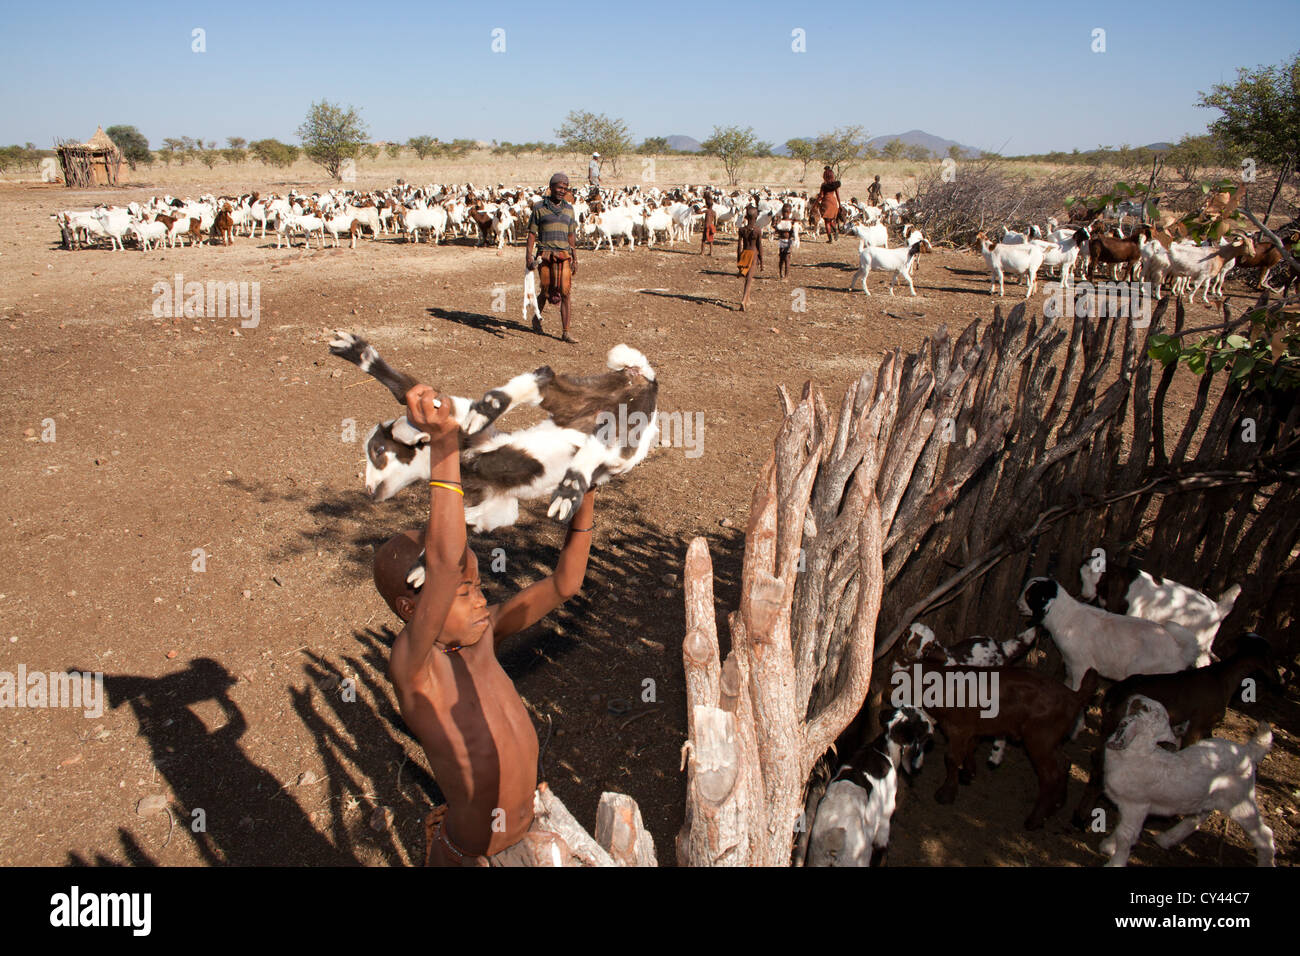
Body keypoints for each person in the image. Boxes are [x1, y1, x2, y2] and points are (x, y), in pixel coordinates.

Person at [374, 382, 597, 866]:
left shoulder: (482, 638)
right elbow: (444, 560)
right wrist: (443, 443)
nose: (480, 599)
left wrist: (585, 495)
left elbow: (565, 583)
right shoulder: (415, 670)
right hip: (471, 857)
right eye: (462, 591)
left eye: (477, 586)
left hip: (526, 833)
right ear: (413, 610)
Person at [526, 172, 579, 344]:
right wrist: (529, 257)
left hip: (564, 255)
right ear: (551, 188)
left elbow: (571, 235)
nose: (562, 191)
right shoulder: (539, 208)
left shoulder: (569, 209)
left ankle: (566, 332)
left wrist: (575, 258)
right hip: (545, 255)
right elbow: (532, 234)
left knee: (565, 292)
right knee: (546, 291)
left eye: (565, 188)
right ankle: (536, 319)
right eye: (559, 187)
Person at [736, 206, 762, 311]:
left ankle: (748, 298)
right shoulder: (758, 230)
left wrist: (739, 260)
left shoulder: (742, 230)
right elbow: (759, 246)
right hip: (753, 254)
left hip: (744, 254)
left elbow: (739, 246)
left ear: (746, 217)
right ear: (756, 217)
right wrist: (762, 261)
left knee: (747, 277)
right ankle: (743, 300)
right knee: (749, 279)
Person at [818, 166, 842, 243]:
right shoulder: (835, 184)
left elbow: (821, 196)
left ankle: (830, 239)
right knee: (831, 220)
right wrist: (840, 205)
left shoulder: (824, 185)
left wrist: (816, 202)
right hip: (834, 202)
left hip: (826, 202)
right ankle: (835, 231)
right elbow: (838, 195)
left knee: (827, 222)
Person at [772, 202, 796, 280]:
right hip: (781, 241)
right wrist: (775, 226)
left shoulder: (791, 222)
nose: (785, 214)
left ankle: (786, 275)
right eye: (784, 212)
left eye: (787, 212)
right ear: (782, 212)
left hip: (788, 241)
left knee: (787, 258)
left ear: (790, 212)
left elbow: (793, 232)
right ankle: (780, 273)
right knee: (781, 258)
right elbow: (777, 231)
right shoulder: (780, 221)